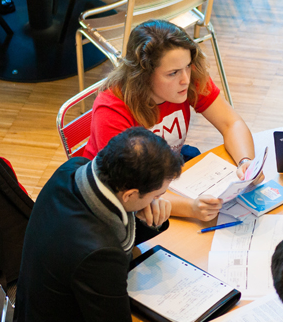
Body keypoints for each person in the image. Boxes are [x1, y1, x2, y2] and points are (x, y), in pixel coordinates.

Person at [15, 128, 217, 322]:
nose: (162, 200)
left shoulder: (71, 172)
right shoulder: (98, 254)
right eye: (158, 195)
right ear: (131, 194)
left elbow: (113, 228)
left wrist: (149, 215)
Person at [83, 19, 258, 222]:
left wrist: (246, 162)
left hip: (163, 179)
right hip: (123, 194)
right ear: (143, 75)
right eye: (172, 73)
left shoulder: (186, 80)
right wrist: (191, 208)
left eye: (188, 66)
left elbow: (231, 123)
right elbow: (130, 193)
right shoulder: (112, 110)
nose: (185, 79)